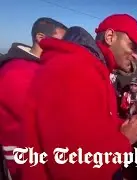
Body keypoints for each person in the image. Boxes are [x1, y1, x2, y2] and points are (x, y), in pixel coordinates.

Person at [21, 15, 137, 180]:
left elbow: (90, 127)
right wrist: (126, 139)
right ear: (110, 37)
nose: (136, 55)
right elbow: (75, 167)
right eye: (132, 46)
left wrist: (123, 126)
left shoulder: (93, 68)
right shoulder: (77, 70)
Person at [0, 17, 67, 180]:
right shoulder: (16, 72)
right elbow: (47, 121)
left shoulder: (42, 69)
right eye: (62, 42)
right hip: (22, 166)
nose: (66, 48)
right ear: (41, 38)